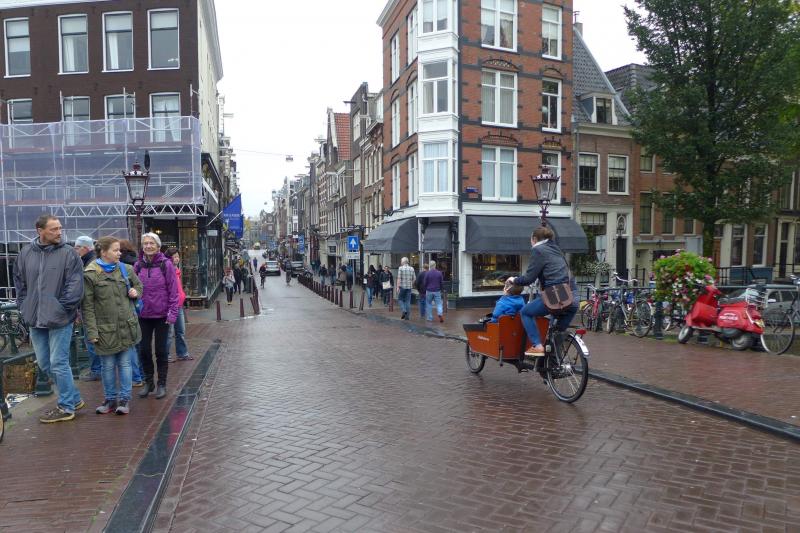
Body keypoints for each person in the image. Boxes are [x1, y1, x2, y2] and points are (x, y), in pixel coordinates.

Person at [14, 214, 84, 423]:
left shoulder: (69, 253)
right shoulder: (25, 253)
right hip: (35, 317)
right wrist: (24, 306)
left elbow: (75, 285)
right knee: (45, 363)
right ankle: (74, 398)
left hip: (60, 318)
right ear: (40, 231)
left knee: (58, 362)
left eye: (60, 228)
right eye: (54, 229)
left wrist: (61, 308)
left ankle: (66, 406)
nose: (59, 232)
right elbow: (20, 282)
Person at [82, 237, 142, 415]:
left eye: (119, 250)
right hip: (105, 329)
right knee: (107, 366)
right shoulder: (90, 274)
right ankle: (110, 399)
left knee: (125, 364)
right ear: (103, 252)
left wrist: (136, 292)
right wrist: (92, 332)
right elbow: (87, 306)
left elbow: (139, 285)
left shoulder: (126, 269)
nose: (119, 253)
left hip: (126, 325)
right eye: (115, 250)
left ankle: (125, 399)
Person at [507, 226, 578, 357]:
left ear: (534, 239)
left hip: (556, 296)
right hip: (572, 298)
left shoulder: (538, 250)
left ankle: (537, 346)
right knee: (556, 334)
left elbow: (528, 278)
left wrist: (514, 280)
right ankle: (556, 362)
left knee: (526, 312)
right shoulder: (556, 249)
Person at [135, 233, 179, 400]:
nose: (148, 246)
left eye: (151, 243)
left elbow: (173, 291)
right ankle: (149, 382)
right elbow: (132, 286)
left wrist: (172, 313)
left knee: (161, 351)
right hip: (143, 314)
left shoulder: (165, 264)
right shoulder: (138, 265)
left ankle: (161, 383)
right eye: (145, 243)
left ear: (158, 246)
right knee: (144, 350)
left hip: (162, 315)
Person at [74, 235, 102, 383]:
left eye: (77, 248)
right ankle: (100, 369)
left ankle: (97, 371)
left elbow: (86, 289)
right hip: (95, 307)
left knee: (91, 340)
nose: (75, 250)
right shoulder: (93, 261)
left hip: (91, 309)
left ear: (85, 248)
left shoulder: (89, 264)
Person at [118, 239, 144, 387]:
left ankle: (136, 376)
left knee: (130, 346)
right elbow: (140, 286)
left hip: (127, 308)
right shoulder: (136, 261)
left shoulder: (122, 266)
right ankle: (140, 374)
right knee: (137, 343)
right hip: (138, 306)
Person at [164, 248, 192, 362]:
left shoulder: (177, 270)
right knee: (169, 332)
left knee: (180, 331)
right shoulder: (167, 270)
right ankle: (165, 355)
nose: (177, 259)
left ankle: (182, 353)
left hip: (179, 305)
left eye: (178, 256)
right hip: (170, 306)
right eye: (174, 257)